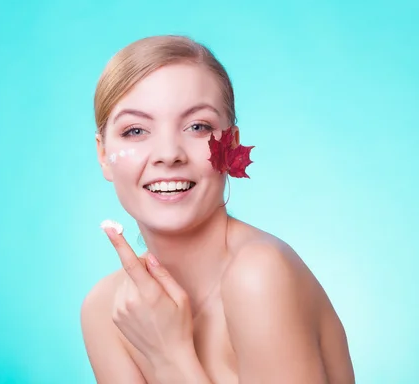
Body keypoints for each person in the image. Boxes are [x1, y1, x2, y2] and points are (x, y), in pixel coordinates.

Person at [80, 35, 355, 384]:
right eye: (135, 130)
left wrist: (169, 358)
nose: (169, 153)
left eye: (198, 127)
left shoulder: (259, 275)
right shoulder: (109, 310)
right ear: (103, 155)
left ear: (232, 146)